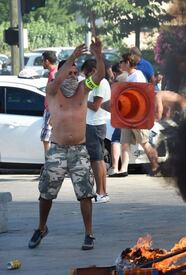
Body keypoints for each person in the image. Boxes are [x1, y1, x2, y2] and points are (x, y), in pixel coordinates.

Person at [28, 38, 105, 251]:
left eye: (75, 73)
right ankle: (41, 228)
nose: (73, 77)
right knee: (46, 193)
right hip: (57, 150)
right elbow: (57, 79)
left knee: (85, 193)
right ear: (60, 75)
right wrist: (71, 59)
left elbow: (99, 76)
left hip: (79, 150)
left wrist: (98, 55)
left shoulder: (83, 89)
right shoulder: (52, 91)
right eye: (68, 73)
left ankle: (89, 234)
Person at [109, 53, 160, 177]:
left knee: (144, 142)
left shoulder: (138, 76)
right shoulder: (128, 76)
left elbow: (140, 96)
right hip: (128, 115)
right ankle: (123, 169)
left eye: (121, 61)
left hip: (138, 116)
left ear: (127, 62)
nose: (120, 64)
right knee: (124, 142)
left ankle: (156, 167)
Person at [83, 59, 111, 203]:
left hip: (94, 124)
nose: (87, 78)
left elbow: (95, 106)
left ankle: (101, 192)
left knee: (96, 160)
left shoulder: (100, 83)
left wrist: (80, 100)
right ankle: (103, 192)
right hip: (94, 124)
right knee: (98, 160)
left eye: (87, 74)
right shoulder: (99, 82)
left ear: (93, 70)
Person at [40, 51, 58, 158]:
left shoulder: (53, 74)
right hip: (52, 109)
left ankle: (49, 164)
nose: (42, 63)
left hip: (51, 110)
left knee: (46, 139)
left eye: (42, 61)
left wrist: (52, 112)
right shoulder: (54, 73)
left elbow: (55, 95)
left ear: (47, 61)